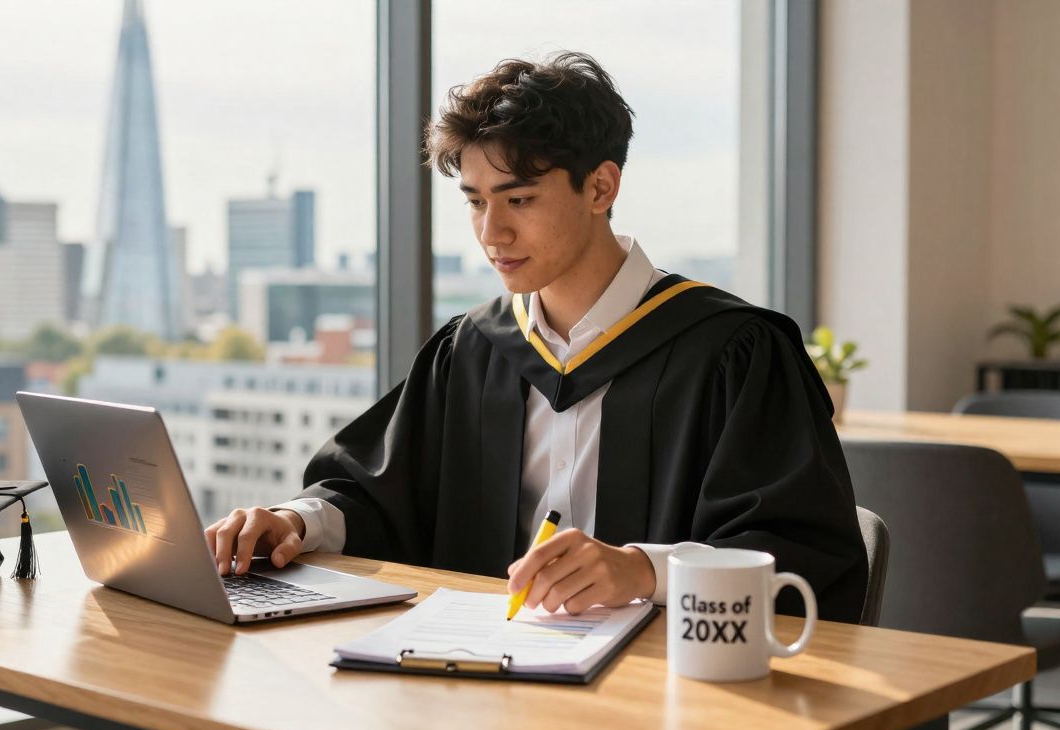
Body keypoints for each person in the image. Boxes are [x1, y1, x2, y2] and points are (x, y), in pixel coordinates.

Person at [206, 51, 866, 622]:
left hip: (669, 696)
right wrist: (294, 523)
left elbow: (797, 551)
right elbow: (378, 494)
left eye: (518, 199)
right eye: (474, 200)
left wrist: (643, 570)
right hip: (477, 681)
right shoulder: (474, 349)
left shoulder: (732, 352)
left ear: (601, 187)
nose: (491, 232)